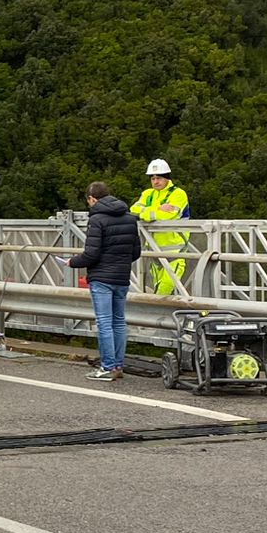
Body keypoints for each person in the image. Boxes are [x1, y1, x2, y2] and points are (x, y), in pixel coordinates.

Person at [68, 180, 140, 380]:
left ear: (92, 198)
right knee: (119, 322)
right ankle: (118, 366)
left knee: (104, 323)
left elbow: (91, 254)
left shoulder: (97, 219)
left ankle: (107, 367)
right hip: (122, 277)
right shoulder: (130, 218)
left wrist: (72, 262)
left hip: (101, 277)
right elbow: (136, 252)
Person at [130, 158, 191, 296]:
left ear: (167, 178)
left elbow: (168, 216)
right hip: (154, 252)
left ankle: (156, 315)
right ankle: (160, 315)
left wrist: (146, 212)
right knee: (160, 291)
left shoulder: (178, 194)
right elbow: (133, 210)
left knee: (164, 290)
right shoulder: (148, 194)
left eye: (159, 178)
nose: (155, 181)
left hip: (175, 252)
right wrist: (158, 208)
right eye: (153, 178)